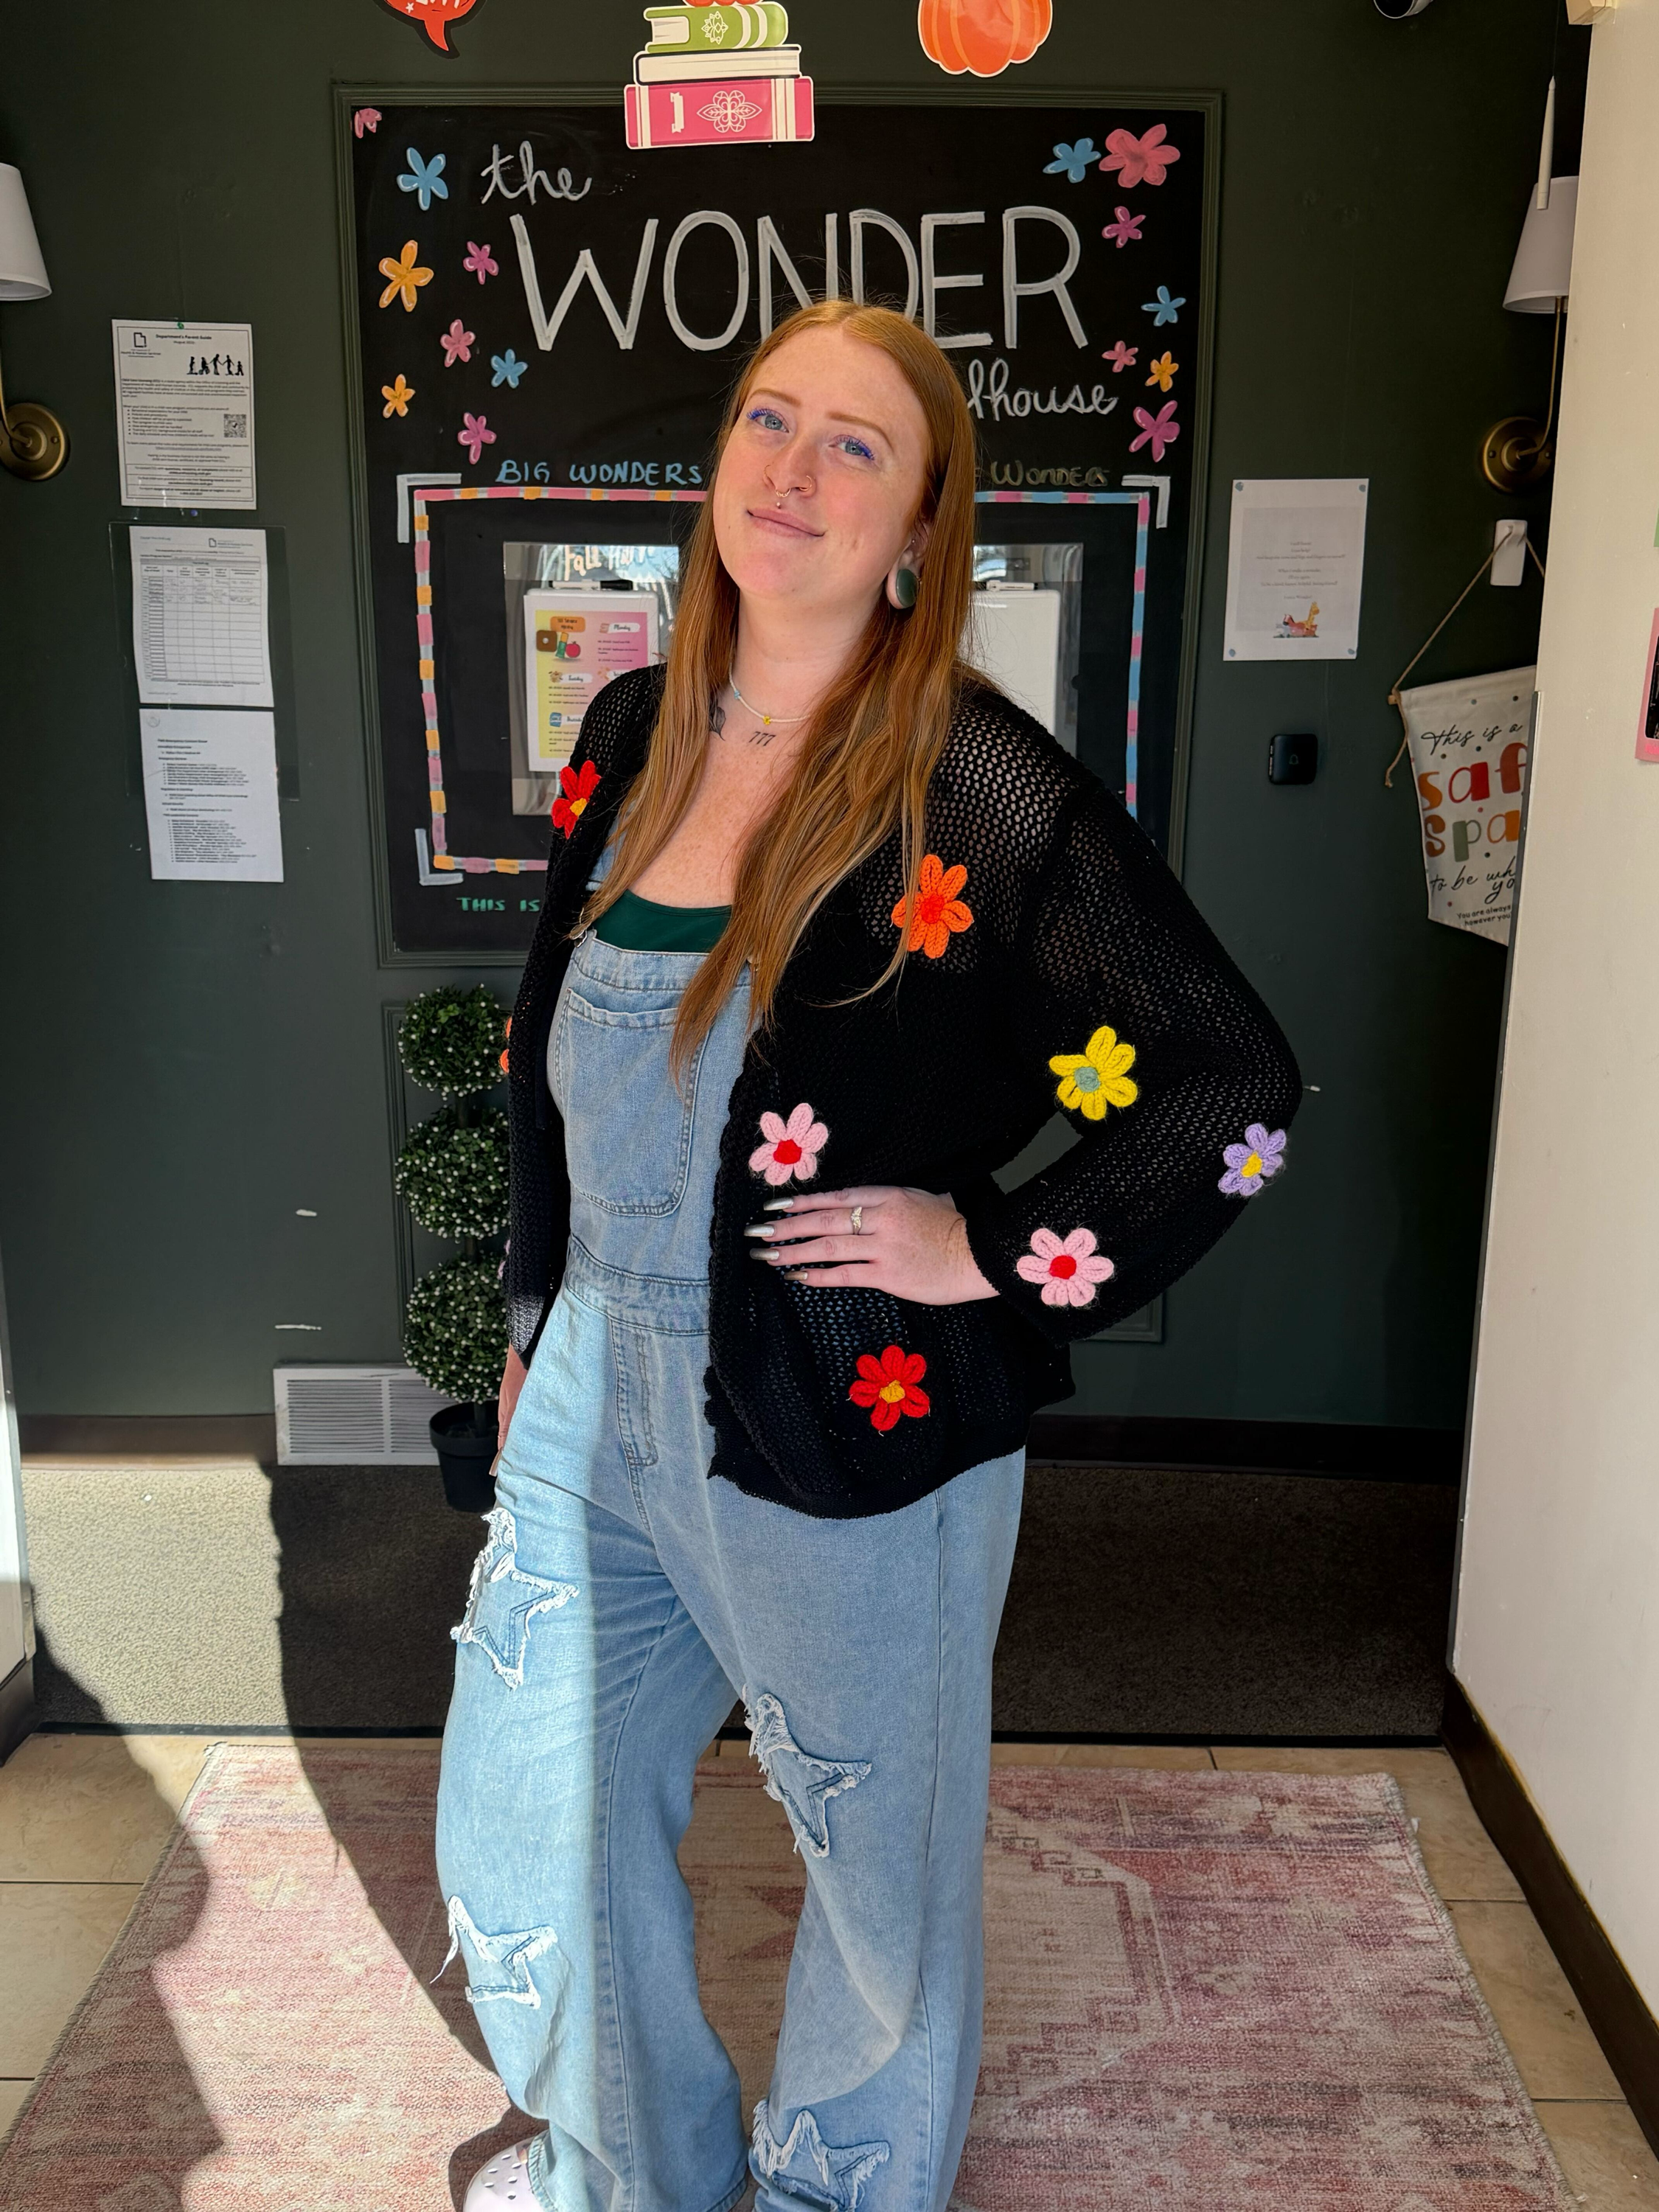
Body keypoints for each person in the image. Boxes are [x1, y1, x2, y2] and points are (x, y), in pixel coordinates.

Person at [437, 298, 1300, 2212]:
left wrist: (993, 1250)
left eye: (857, 444)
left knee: (875, 1880)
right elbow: (546, 1052)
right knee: (531, 1825)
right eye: (769, 419)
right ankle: (635, 2171)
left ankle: (833, 2196)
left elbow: (1232, 1088)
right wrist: (530, 1311)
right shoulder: (630, 730)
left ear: (924, 523)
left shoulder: (976, 793)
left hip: (843, 1399)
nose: (795, 470)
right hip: (596, 1385)